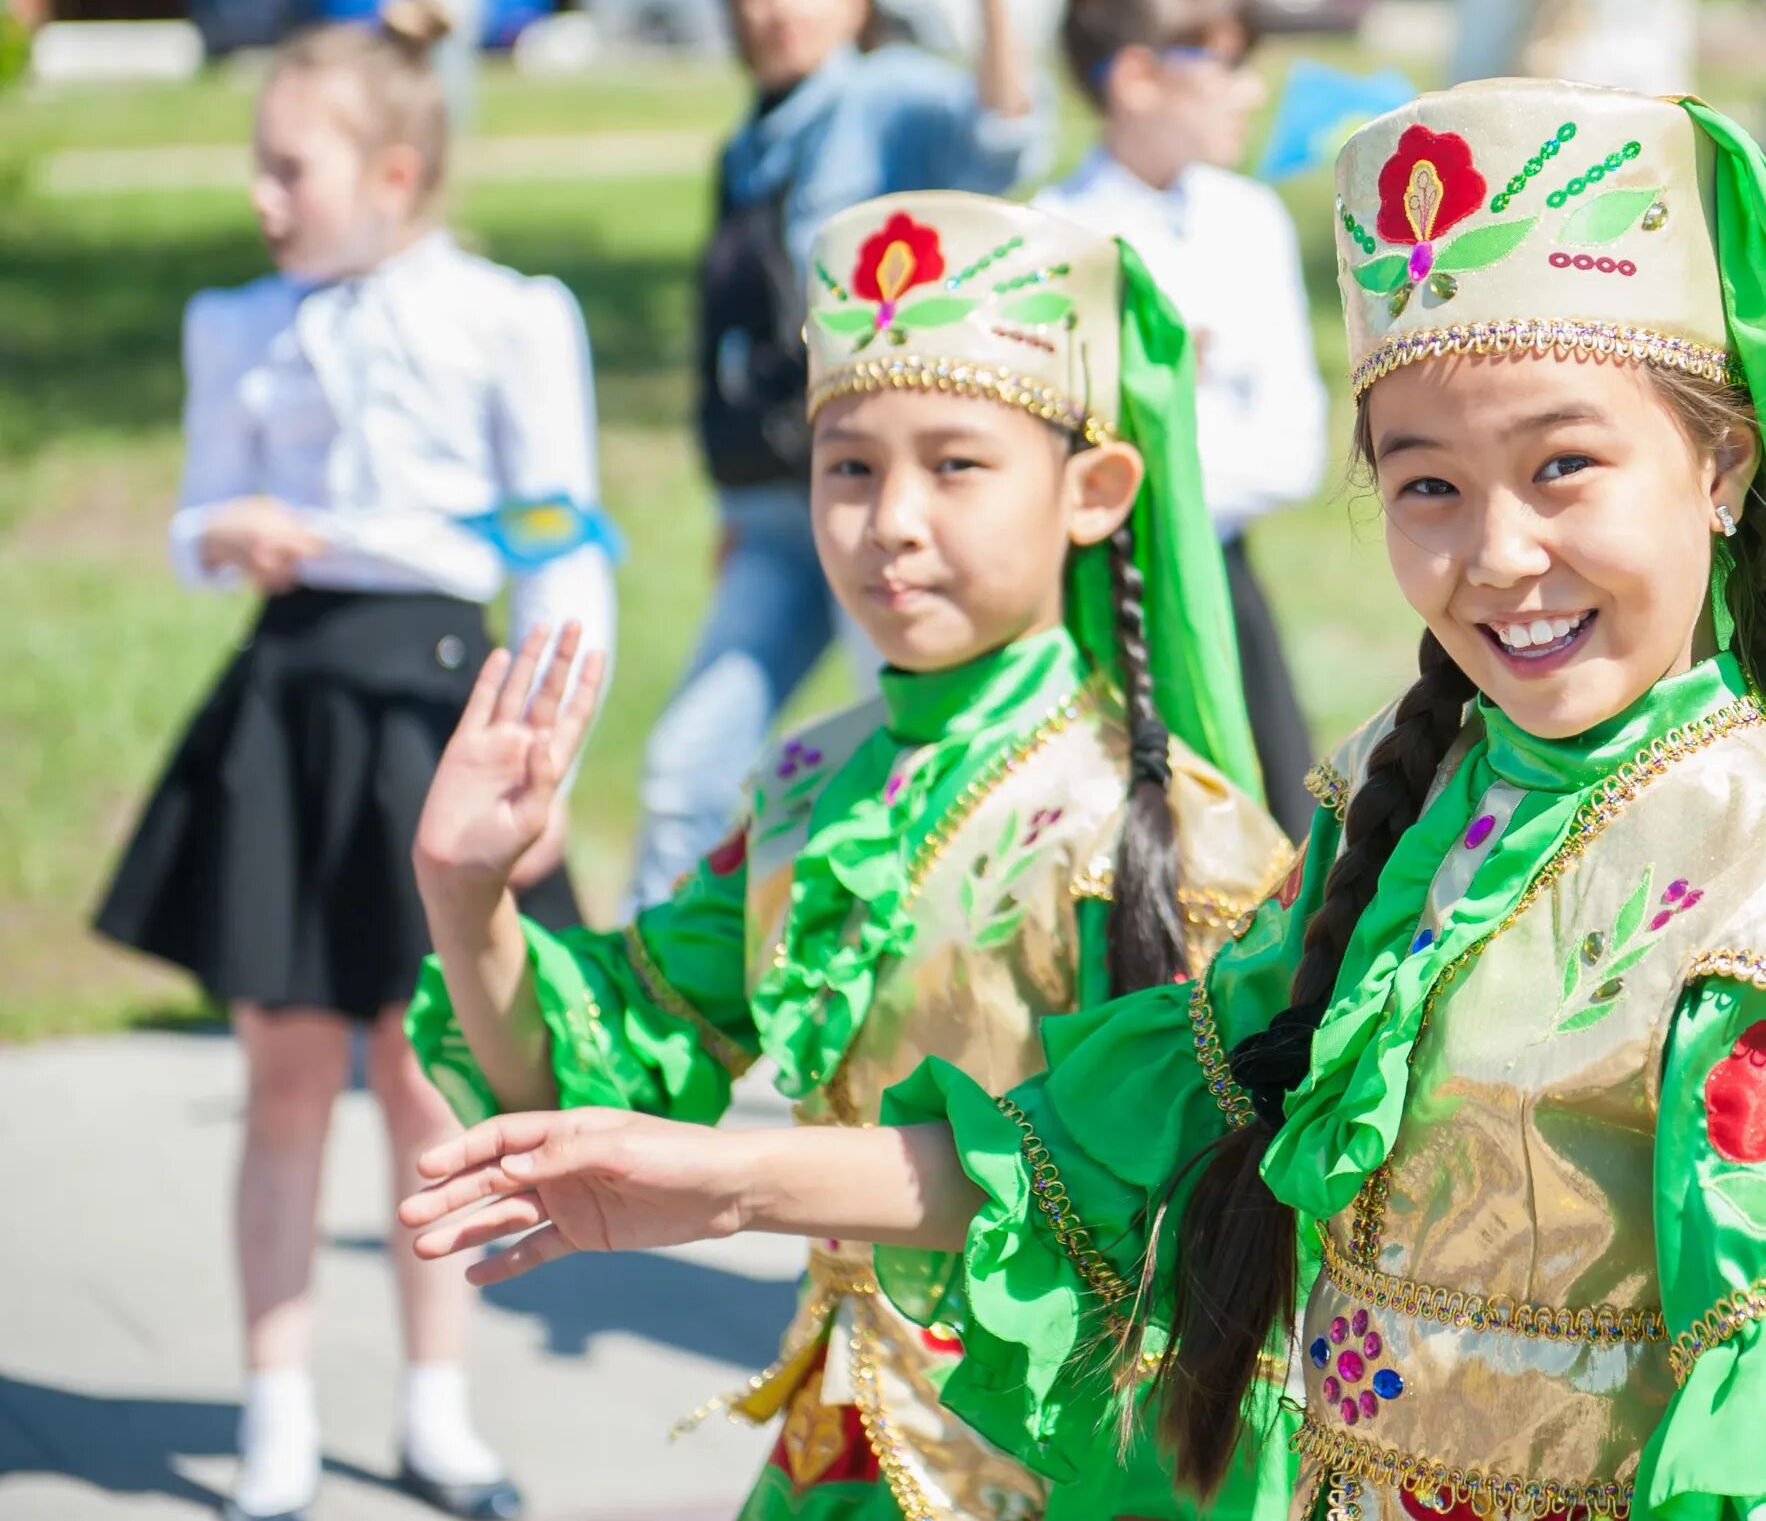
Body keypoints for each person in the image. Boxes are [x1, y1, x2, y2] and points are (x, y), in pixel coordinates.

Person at [397, 81, 1766, 1521]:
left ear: (1723, 471)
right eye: (1428, 483)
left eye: (1564, 467)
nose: (1498, 553)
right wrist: (703, 1180)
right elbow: (1079, 1162)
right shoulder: (1415, 802)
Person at [404, 194, 1294, 1519]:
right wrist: (469, 892)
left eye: (957, 465)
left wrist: (734, 1189)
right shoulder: (812, 783)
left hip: (1092, 1465)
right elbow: (575, 1076)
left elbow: (1144, 1203)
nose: (891, 521)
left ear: (1096, 491)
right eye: (850, 467)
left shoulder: (1161, 823)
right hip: (851, 1435)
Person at [95, 0, 615, 1521]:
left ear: (394, 175)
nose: (261, 199)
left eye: (289, 171)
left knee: (427, 1078)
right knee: (284, 1075)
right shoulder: (234, 325)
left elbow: (563, 539)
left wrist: (551, 755)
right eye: (258, 167)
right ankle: (272, 1409)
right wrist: (220, 534)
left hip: (444, 713)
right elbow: (202, 518)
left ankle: (437, 1408)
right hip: (294, 702)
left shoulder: (512, 315)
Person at [627, 0, 1049, 915]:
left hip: (881, 504)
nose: (777, 8)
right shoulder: (751, 140)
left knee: (906, 766)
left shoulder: (886, 93)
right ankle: (643, 1048)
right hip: (774, 510)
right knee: (687, 768)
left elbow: (1003, 142)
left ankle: (909, 1027)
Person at [1031, 0, 1327, 838]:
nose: (1249, 92)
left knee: (1268, 851)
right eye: (1224, 63)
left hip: (1223, 603)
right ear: (1135, 79)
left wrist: (1149, 452)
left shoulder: (1249, 222)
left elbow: (1292, 452)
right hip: (1086, 613)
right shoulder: (1052, 242)